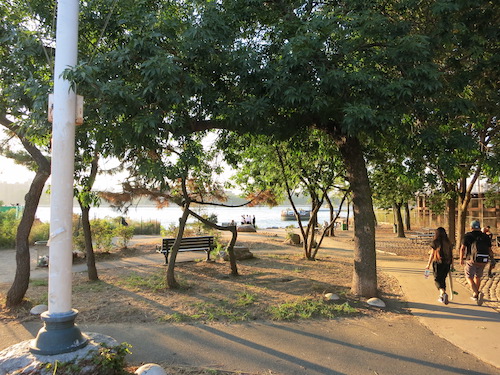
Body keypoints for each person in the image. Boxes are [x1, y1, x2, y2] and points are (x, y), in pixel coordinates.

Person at [459, 220, 494, 306]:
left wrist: (461, 259)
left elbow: (462, 248)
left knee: (469, 277)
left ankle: (477, 292)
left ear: (471, 227)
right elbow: (490, 250)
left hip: (471, 260)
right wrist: (492, 259)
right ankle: (475, 296)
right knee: (478, 277)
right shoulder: (485, 237)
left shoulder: (468, 236)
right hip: (483, 260)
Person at [425, 227, 453, 305]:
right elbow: (451, 254)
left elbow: (432, 254)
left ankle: (443, 293)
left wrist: (428, 264)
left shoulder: (436, 242)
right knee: (443, 278)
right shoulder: (448, 242)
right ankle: (442, 295)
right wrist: (452, 264)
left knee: (437, 279)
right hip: (447, 263)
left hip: (438, 262)